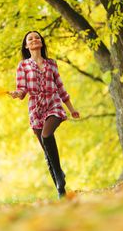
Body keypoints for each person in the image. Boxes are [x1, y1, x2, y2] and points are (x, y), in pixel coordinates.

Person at [9, 31, 80, 198]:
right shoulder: (23, 66)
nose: (34, 39)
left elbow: (61, 87)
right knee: (47, 152)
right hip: (35, 108)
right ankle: (60, 190)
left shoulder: (52, 64)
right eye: (30, 39)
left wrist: (71, 108)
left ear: (41, 42)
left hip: (53, 102)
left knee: (47, 136)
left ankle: (60, 176)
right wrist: (16, 94)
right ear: (26, 46)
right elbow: (22, 90)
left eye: (37, 37)